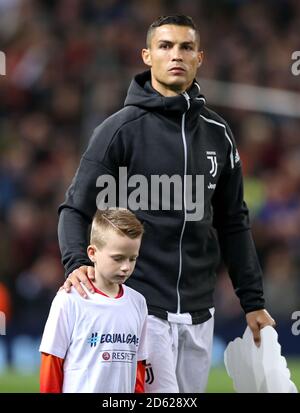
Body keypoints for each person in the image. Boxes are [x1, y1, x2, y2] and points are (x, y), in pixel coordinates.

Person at [58, 15, 275, 393]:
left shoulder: (219, 135)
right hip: (141, 306)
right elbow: (75, 208)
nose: (176, 55)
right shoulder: (118, 130)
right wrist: (76, 262)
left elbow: (234, 223)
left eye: (186, 47)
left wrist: (252, 301)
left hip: (199, 312)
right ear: (147, 56)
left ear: (200, 58)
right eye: (165, 46)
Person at [40, 208, 147, 393]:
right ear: (92, 253)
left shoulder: (138, 302)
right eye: (118, 258)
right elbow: (52, 361)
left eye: (133, 258)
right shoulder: (69, 300)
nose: (126, 267)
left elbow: (138, 366)